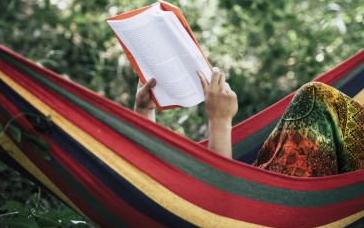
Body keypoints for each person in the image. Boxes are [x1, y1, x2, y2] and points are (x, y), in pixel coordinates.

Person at [134, 68, 364, 177]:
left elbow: (151, 184)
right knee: (314, 97)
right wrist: (219, 121)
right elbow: (223, 206)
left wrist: (144, 111)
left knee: (314, 97)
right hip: (285, 201)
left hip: (274, 192)